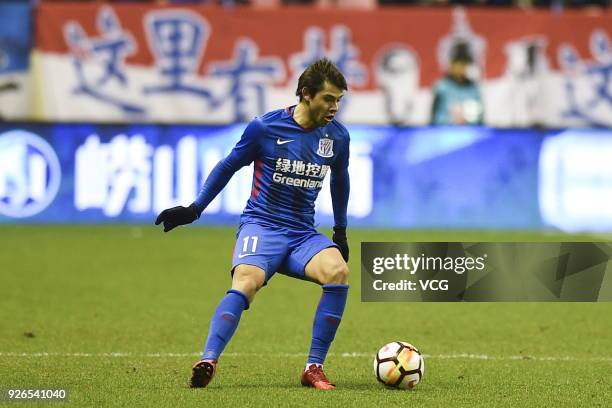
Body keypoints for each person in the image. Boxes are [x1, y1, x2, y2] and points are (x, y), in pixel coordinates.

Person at [155, 58, 351, 390]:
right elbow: (229, 165)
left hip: (303, 233)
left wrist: (340, 230)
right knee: (247, 282)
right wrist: (195, 208)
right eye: (328, 99)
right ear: (306, 94)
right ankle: (209, 359)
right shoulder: (266, 128)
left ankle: (314, 368)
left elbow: (340, 180)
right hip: (262, 226)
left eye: (339, 100)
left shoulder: (337, 137)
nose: (334, 107)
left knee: (338, 272)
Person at [430, 42, 484, 125]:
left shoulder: (473, 89)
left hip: (470, 134)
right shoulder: (442, 87)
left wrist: (467, 120)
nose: (462, 67)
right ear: (451, 64)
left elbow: (479, 119)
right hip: (445, 134)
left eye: (465, 63)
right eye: (458, 63)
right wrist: (451, 120)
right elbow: (434, 119)